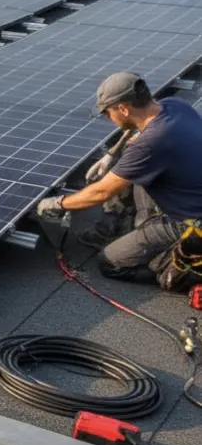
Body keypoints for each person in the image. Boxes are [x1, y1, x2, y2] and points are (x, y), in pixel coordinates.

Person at [37, 72, 202, 288]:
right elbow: (139, 129)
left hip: (190, 223)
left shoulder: (152, 143)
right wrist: (111, 153)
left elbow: (101, 192)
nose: (109, 119)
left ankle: (174, 266)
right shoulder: (174, 106)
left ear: (123, 109)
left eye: (108, 113)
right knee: (131, 151)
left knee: (110, 263)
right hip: (190, 194)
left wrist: (57, 203)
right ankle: (123, 227)